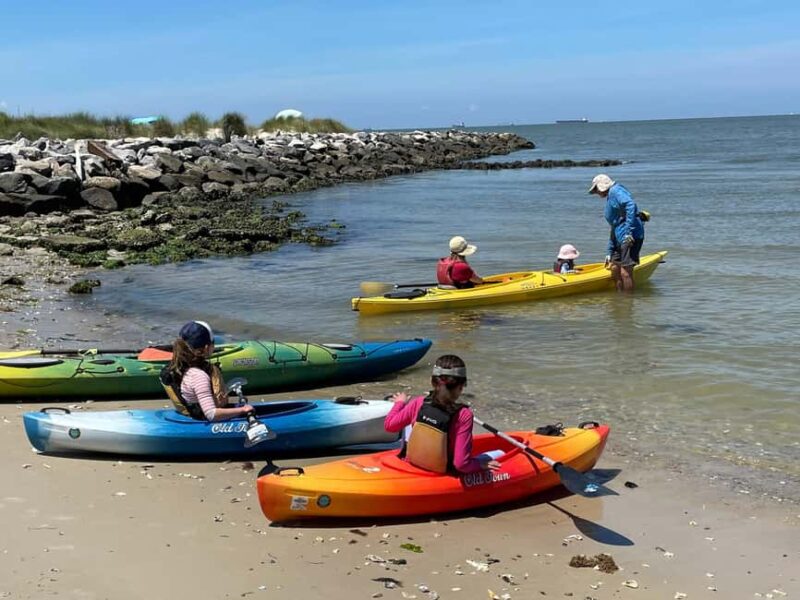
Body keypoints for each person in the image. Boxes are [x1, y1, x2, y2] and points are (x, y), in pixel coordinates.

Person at [384, 355, 501, 474]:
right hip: (442, 471)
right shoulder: (463, 415)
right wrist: (481, 465)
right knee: (501, 453)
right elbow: (461, 464)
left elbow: (390, 425)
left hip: (413, 462)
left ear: (433, 382)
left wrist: (399, 403)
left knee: (410, 426)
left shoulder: (418, 402)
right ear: (461, 387)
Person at [160, 320, 254, 421]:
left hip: (192, 412)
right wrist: (243, 410)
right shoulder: (198, 376)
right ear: (206, 348)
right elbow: (211, 414)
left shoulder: (180, 367)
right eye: (213, 343)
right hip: (203, 418)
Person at [589, 174, 645, 292]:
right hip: (618, 236)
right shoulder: (611, 195)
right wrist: (609, 251)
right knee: (614, 268)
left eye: (596, 190)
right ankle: (620, 299)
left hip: (629, 236)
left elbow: (630, 205)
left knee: (625, 273)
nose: (597, 193)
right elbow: (614, 225)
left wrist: (628, 232)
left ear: (601, 187)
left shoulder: (615, 190)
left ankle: (628, 302)